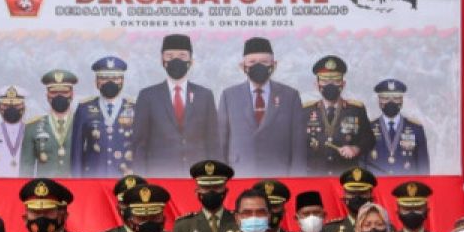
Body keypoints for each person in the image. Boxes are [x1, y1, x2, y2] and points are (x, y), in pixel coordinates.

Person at [216, 37, 307, 175]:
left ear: (274, 65)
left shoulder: (290, 96)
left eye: (264, 62)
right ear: (243, 66)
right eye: (252, 62)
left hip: (279, 175)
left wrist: (297, 180)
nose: (258, 66)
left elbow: (299, 146)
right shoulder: (229, 96)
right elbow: (221, 142)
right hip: (239, 175)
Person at [131, 34, 220, 177]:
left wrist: (215, 178)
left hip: (198, 176)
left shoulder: (205, 95)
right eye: (170, 56)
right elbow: (139, 144)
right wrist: (140, 179)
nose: (176, 60)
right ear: (162, 60)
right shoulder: (147, 96)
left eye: (182, 56)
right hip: (160, 176)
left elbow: (213, 142)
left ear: (191, 61)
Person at [303, 56, 374, 176]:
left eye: (336, 81)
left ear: (343, 84)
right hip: (315, 176)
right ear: (316, 84)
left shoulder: (356, 109)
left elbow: (369, 139)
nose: (330, 85)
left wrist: (356, 148)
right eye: (325, 81)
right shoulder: (305, 111)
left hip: (347, 176)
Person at [72, 57, 136, 177]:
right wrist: (77, 183)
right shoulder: (84, 108)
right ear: (96, 81)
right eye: (104, 78)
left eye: (115, 78)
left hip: (125, 177)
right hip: (92, 177)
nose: (109, 82)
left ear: (122, 80)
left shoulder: (135, 108)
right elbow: (76, 152)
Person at [21, 70, 78, 176]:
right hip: (45, 189)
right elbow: (25, 170)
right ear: (47, 95)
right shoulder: (32, 127)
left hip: (76, 189)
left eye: (64, 92)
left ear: (72, 94)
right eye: (54, 92)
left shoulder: (82, 125)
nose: (59, 96)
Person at [367, 79, 429, 175]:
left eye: (396, 98)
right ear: (379, 100)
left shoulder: (416, 129)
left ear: (402, 100)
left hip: (407, 187)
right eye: (386, 98)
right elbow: (361, 166)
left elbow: (423, 168)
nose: (391, 102)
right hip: (377, 187)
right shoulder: (367, 128)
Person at [324, 167, 377, 232]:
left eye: (362, 193)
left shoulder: (383, 228)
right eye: (352, 193)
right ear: (344, 197)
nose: (357, 197)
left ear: (371, 197)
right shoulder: (329, 230)